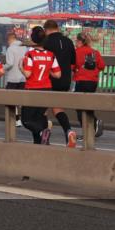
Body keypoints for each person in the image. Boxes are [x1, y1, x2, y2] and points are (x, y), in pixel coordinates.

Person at [21, 26, 62, 145]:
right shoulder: (51, 55)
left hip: (32, 89)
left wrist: (21, 68)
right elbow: (58, 75)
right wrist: (48, 70)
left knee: (27, 120)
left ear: (33, 39)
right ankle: (40, 143)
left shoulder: (30, 54)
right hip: (46, 89)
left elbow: (28, 74)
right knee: (39, 117)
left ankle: (42, 132)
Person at [42, 19, 78, 148]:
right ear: (57, 28)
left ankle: (44, 135)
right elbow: (74, 61)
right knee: (58, 109)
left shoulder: (46, 41)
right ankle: (68, 131)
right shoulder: (68, 41)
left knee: (42, 109)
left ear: (46, 30)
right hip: (65, 80)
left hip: (50, 79)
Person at [72, 32, 106, 138]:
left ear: (80, 41)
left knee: (79, 107)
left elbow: (72, 66)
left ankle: (87, 133)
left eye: (76, 41)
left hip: (81, 82)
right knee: (88, 105)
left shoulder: (76, 52)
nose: (75, 43)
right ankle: (94, 124)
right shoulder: (95, 52)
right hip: (93, 82)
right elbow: (102, 66)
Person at [3, 31, 28, 127]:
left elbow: (10, 63)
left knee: (11, 100)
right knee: (20, 100)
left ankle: (15, 119)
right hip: (23, 77)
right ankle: (22, 119)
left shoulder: (10, 49)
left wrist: (1, 67)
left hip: (13, 78)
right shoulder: (24, 48)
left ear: (10, 39)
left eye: (7, 40)